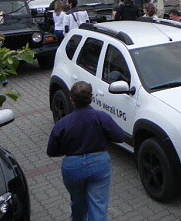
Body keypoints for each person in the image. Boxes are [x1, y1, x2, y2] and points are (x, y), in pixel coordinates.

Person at [47, 81, 125, 221]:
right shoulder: (101, 117)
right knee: (98, 206)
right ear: (91, 98)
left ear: (71, 100)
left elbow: (51, 151)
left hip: (72, 167)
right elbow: (119, 137)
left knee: (78, 203)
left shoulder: (63, 123)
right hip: (99, 164)